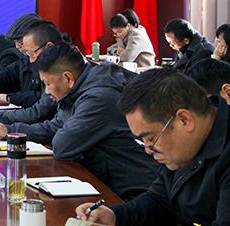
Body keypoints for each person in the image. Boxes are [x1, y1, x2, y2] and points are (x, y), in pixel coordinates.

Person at [0, 42, 157, 199]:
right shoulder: (80, 88)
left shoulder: (99, 97)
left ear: (68, 78)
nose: (46, 92)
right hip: (106, 181)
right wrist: (10, 130)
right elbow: (54, 127)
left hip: (134, 192)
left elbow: (62, 146)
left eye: (47, 84)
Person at [75, 68, 230, 225]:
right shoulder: (183, 148)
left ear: (184, 120)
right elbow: (159, 200)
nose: (148, 150)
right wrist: (115, 216)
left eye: (151, 138)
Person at [0, 19, 58, 110]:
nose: (17, 47)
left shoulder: (59, 66)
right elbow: (8, 73)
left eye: (20, 42)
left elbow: (42, 101)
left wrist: (9, 98)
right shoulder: (27, 58)